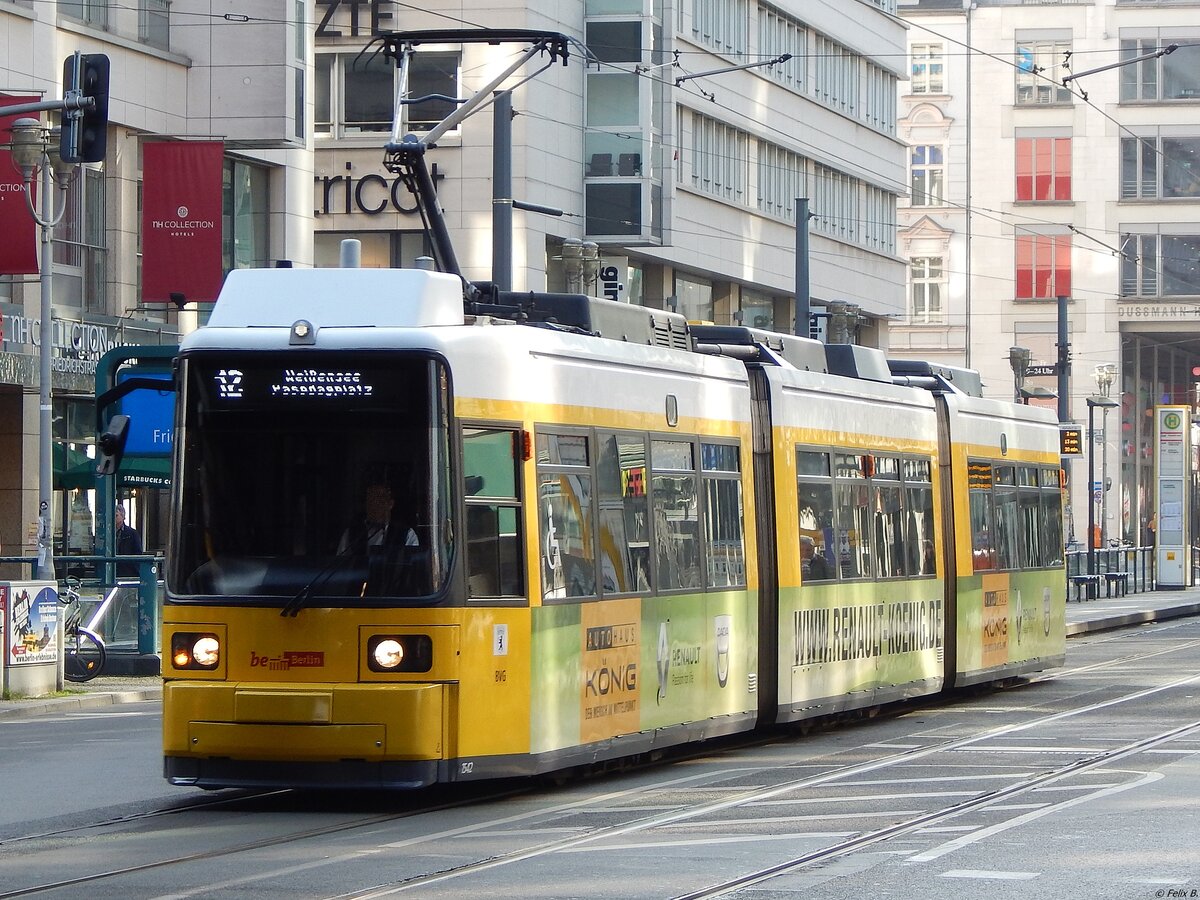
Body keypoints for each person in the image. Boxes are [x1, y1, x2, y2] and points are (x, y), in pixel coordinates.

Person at [337, 482, 417, 556]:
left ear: (391, 504)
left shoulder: (407, 534)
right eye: (371, 499)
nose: (375, 504)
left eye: (380, 499)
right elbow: (341, 567)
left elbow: (413, 567)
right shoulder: (351, 533)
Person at [114, 503, 143, 577]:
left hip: (127, 571)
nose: (114, 518)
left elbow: (138, 552)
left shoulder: (132, 533)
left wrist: (133, 567)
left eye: (116, 515)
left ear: (123, 516)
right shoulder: (109, 533)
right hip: (114, 569)